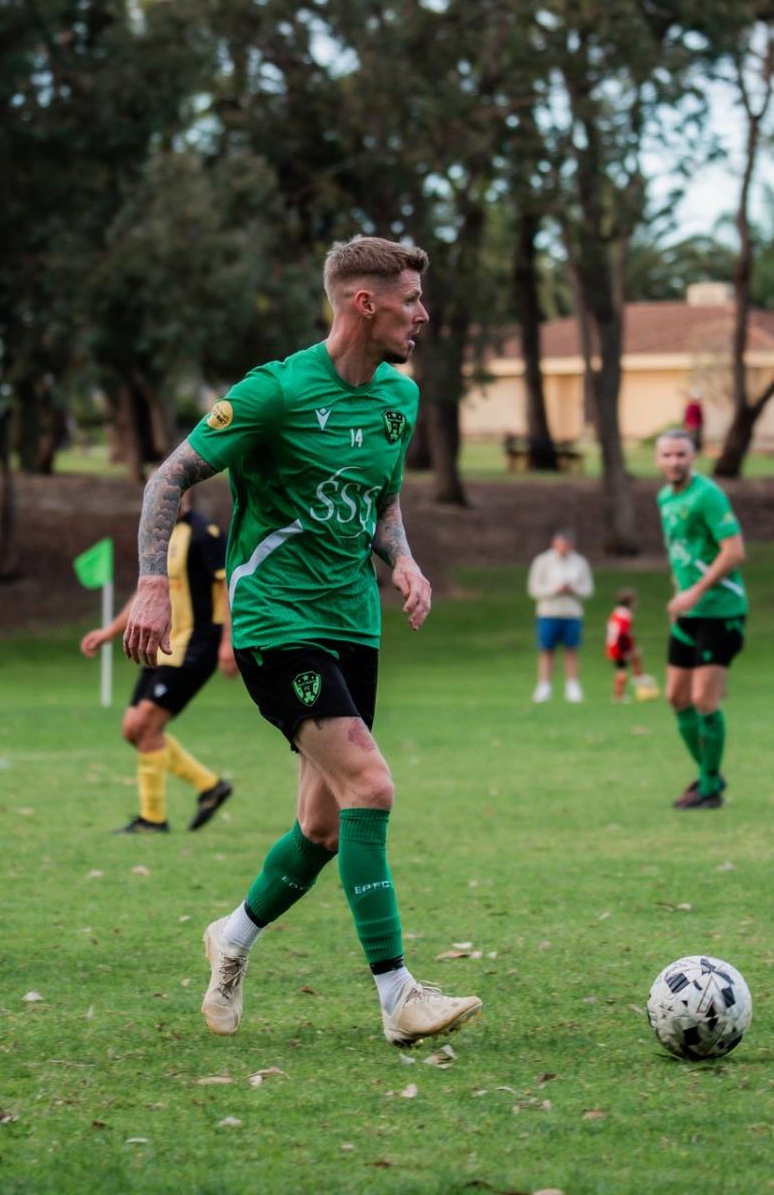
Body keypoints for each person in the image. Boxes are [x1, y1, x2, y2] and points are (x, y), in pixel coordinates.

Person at [121, 235, 479, 1046]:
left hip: (353, 625)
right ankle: (398, 996)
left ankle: (231, 937)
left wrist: (402, 560)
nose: (422, 314)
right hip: (277, 626)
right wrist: (150, 583)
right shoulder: (273, 392)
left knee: (322, 829)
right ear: (363, 303)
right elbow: (168, 477)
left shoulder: (399, 398)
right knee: (371, 786)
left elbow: (380, 501)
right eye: (410, 300)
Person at [81, 494, 238, 834]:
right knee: (132, 729)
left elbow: (228, 586)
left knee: (147, 725)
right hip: (164, 643)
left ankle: (152, 819)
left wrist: (228, 642)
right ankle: (209, 786)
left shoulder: (204, 533)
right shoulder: (158, 538)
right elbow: (147, 594)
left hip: (198, 644)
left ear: (186, 493)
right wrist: (108, 632)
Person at [655, 428, 746, 809]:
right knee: (676, 697)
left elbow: (734, 551)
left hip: (721, 611)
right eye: (667, 455)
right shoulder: (664, 498)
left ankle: (709, 787)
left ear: (694, 457)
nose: (674, 461)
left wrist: (696, 591)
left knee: (703, 700)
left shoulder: (708, 495)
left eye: (681, 454)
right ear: (658, 459)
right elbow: (681, 554)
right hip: (688, 613)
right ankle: (711, 774)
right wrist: (680, 594)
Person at [527, 529, 593, 703]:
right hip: (548, 612)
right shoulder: (543, 561)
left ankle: (572, 687)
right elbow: (534, 588)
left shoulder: (580, 562)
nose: (563, 548)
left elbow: (588, 589)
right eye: (560, 544)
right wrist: (554, 590)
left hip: (572, 613)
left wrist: (573, 589)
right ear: (554, 544)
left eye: (566, 545)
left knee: (571, 650)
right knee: (546, 650)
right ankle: (544, 686)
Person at [604, 587, 655, 703]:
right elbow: (622, 634)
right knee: (622, 670)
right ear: (630, 602)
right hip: (619, 647)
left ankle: (637, 678)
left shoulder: (617, 612)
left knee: (632, 660)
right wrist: (627, 649)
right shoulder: (624, 616)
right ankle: (619, 695)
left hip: (614, 645)